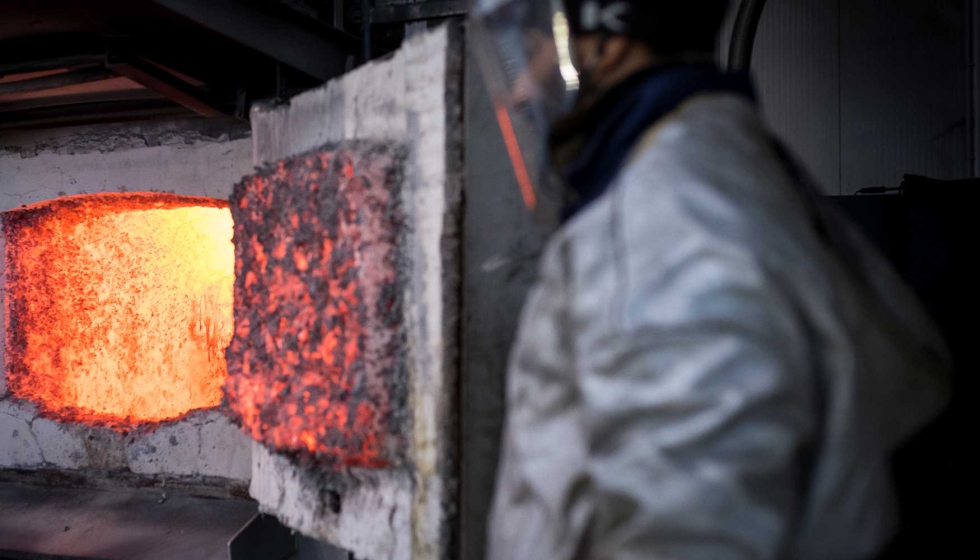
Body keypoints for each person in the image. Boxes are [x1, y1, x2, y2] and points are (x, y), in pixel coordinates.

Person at [473, 1, 952, 558]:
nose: (520, 92)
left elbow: (693, 531)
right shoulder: (719, 167)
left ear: (608, 41)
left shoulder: (668, 214)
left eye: (532, 53)